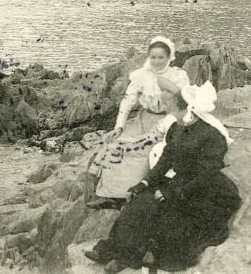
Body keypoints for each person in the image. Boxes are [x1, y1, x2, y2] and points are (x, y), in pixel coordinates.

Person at [85, 82, 241, 273]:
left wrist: (172, 192)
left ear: (186, 108)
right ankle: (116, 251)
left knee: (166, 211)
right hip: (181, 181)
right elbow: (165, 160)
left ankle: (133, 256)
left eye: (168, 104)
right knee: (140, 200)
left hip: (206, 189)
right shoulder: (176, 127)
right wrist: (144, 183)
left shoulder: (212, 135)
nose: (164, 108)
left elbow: (206, 174)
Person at [87, 37, 190, 209]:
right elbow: (127, 102)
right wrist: (119, 126)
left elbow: (182, 105)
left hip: (166, 120)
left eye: (161, 57)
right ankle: (110, 194)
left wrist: (166, 123)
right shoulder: (141, 76)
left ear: (169, 58)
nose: (157, 61)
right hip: (143, 118)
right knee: (115, 143)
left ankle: (132, 193)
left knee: (141, 148)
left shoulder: (178, 76)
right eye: (153, 57)